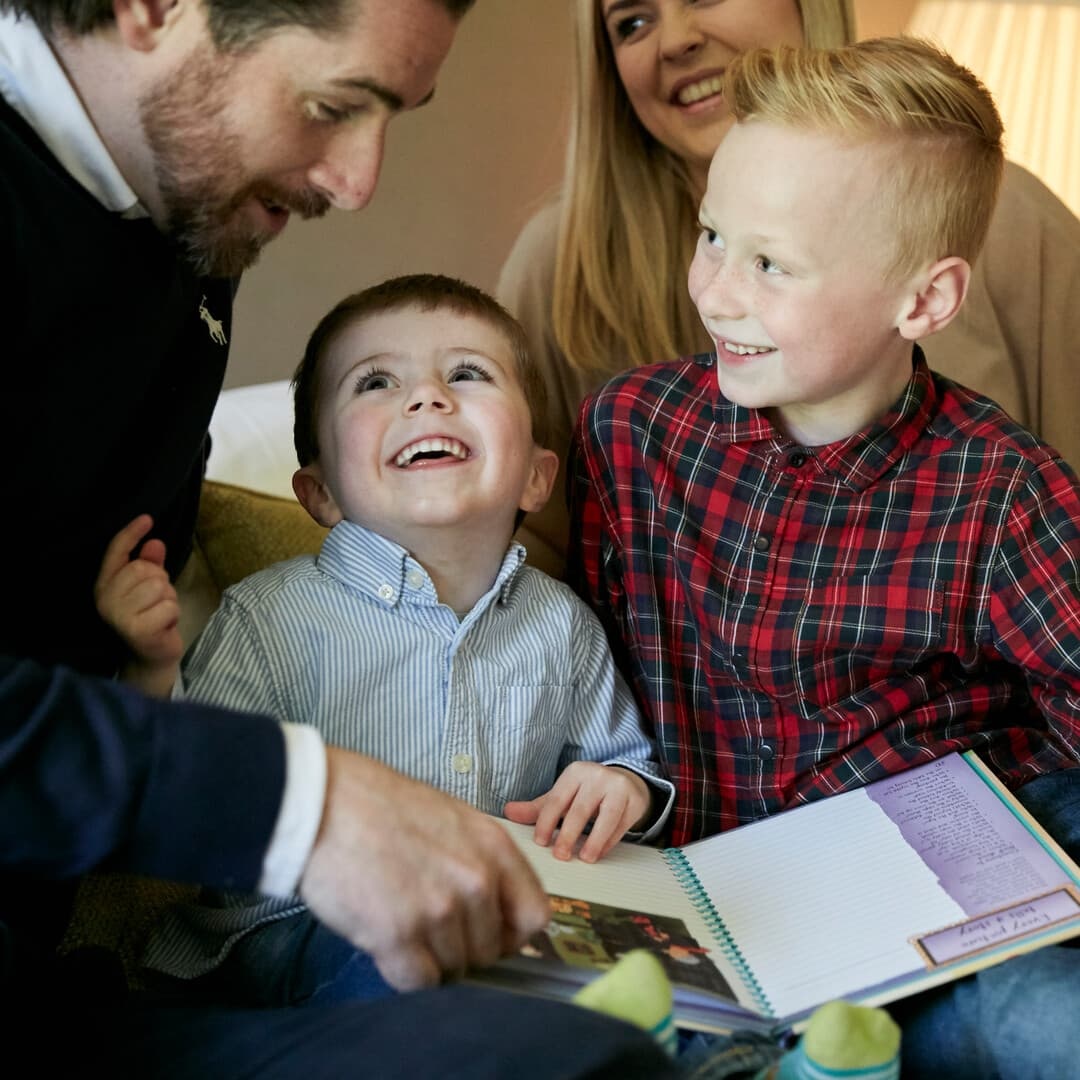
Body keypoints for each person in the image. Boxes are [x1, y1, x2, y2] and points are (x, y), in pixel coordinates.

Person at [0, 1, 676, 1075]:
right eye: (332, 103)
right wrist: (307, 808)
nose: (359, 182)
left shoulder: (188, 236)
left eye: (391, 116)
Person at [568, 35, 1080, 1078]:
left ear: (925, 301)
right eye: (712, 235)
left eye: (771, 264)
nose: (717, 291)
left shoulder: (999, 491)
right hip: (710, 907)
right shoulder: (630, 433)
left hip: (925, 936)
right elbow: (573, 652)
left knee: (1044, 1029)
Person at [95, 272, 674, 1004]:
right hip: (297, 933)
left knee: (611, 987)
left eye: (468, 372)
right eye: (375, 383)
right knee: (398, 956)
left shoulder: (563, 625)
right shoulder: (270, 618)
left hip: (507, 933)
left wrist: (619, 786)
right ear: (322, 494)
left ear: (534, 477)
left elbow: (629, 768)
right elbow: (191, 792)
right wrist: (151, 669)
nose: (428, 397)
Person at [497, 0, 1080, 579]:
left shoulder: (1017, 225)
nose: (672, 41)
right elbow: (529, 560)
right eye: (633, 23)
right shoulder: (562, 272)